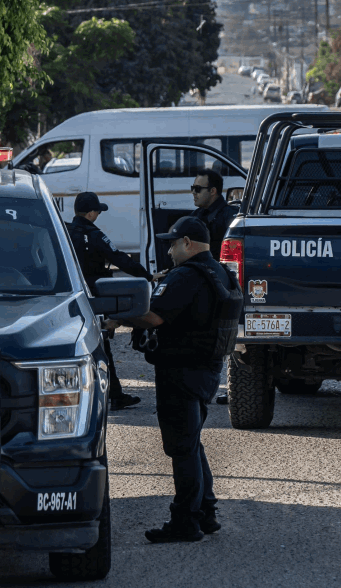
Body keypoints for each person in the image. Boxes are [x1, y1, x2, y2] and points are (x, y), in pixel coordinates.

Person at [125, 216, 235, 543]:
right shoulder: (220, 272)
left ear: (187, 242)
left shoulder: (186, 275)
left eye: (172, 244)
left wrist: (116, 315)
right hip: (206, 370)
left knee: (182, 448)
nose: (170, 251)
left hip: (180, 372)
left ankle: (186, 521)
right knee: (191, 443)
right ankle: (207, 512)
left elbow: (152, 316)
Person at [67, 192, 150, 411]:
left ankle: (95, 394)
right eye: (98, 211)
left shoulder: (63, 232)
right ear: (92, 213)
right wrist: (147, 276)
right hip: (93, 297)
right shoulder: (94, 235)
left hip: (66, 297)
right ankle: (114, 395)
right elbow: (120, 258)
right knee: (101, 344)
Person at [189, 167, 240, 250]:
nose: (193, 192)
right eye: (193, 188)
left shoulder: (230, 216)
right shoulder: (196, 214)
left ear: (212, 191)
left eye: (198, 189)